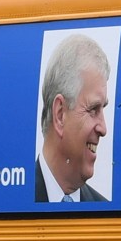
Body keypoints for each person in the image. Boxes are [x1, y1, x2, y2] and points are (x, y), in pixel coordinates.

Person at [36, 33, 110, 203]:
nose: (103, 129)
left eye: (103, 108)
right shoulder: (11, 199)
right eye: (93, 109)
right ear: (60, 114)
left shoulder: (102, 207)